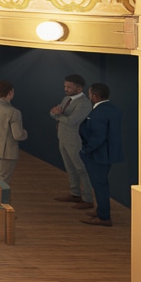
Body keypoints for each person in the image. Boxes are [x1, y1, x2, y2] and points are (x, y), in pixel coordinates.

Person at [79, 83, 124, 227]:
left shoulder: (99, 112)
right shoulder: (114, 109)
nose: (89, 96)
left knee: (100, 186)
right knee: (102, 184)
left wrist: (87, 149)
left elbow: (98, 136)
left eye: (89, 94)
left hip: (98, 155)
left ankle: (104, 217)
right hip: (108, 154)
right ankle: (101, 210)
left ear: (95, 96)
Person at [50, 73, 94, 208]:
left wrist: (57, 115)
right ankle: (75, 193)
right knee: (69, 168)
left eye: (69, 87)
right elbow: (53, 112)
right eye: (65, 86)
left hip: (75, 140)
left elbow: (72, 121)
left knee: (81, 169)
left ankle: (87, 199)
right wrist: (56, 114)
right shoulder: (66, 99)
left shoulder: (84, 103)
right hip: (63, 138)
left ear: (79, 88)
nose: (66, 89)